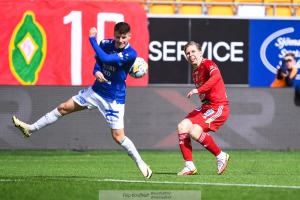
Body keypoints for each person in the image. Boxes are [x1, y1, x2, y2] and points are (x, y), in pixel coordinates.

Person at [12, 22, 152, 179]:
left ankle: (141, 163)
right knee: (63, 107)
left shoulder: (131, 54)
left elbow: (105, 57)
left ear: (129, 36)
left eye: (124, 38)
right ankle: (30, 129)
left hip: (113, 99)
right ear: (114, 35)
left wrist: (92, 39)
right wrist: (96, 71)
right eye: (118, 37)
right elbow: (100, 61)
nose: (120, 41)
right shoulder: (106, 43)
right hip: (96, 91)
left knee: (118, 137)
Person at [177, 41, 230, 176]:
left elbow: (216, 76)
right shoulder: (195, 72)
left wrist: (198, 90)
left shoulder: (208, 64)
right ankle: (189, 166)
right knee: (182, 126)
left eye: (193, 51)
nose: (190, 55)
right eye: (187, 53)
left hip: (219, 107)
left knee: (194, 132)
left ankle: (221, 156)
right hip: (207, 107)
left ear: (200, 52)